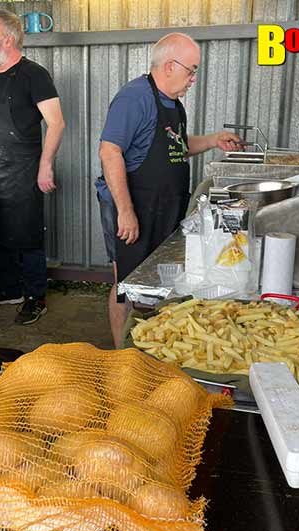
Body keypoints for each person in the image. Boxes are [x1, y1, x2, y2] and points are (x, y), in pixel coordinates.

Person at [98, 32, 243, 347]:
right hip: (134, 206)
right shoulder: (134, 98)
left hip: (164, 205)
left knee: (157, 282)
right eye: (191, 70)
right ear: (168, 66)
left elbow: (176, 145)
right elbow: (110, 152)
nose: (193, 79)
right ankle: (122, 354)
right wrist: (125, 211)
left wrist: (213, 140)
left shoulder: (173, 104)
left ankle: (151, 347)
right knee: (127, 283)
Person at [0, 9, 65, 326]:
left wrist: (45, 167)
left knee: (26, 236)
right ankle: (10, 289)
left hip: (24, 168)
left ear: (9, 38)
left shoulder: (34, 75)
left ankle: (35, 296)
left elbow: (56, 124)